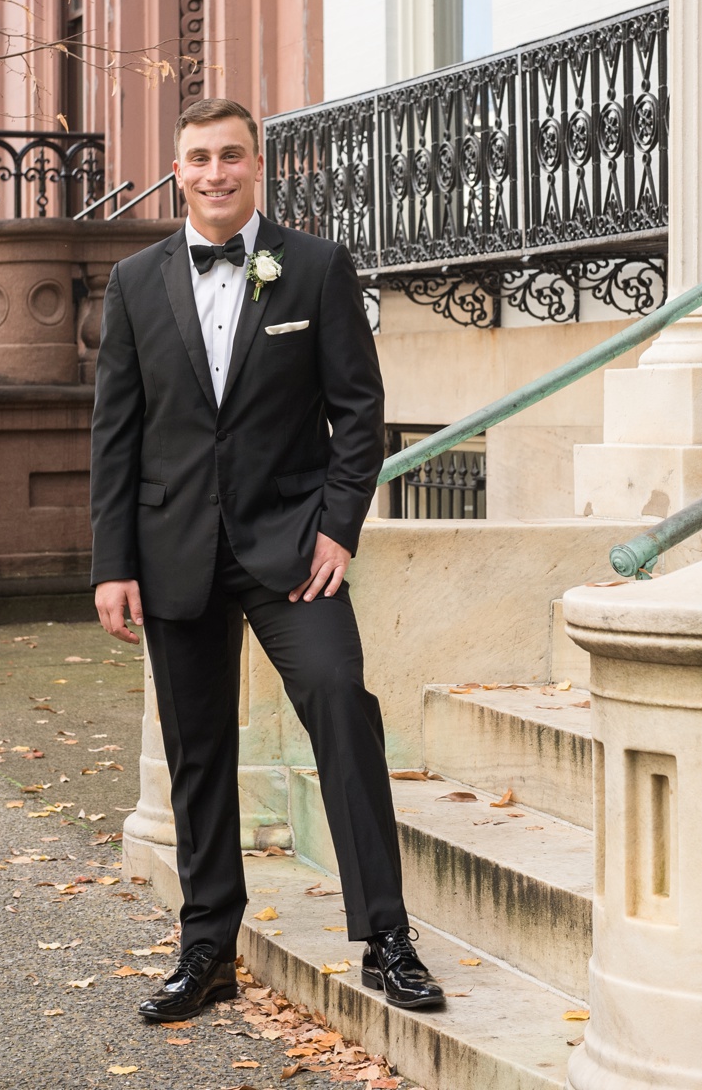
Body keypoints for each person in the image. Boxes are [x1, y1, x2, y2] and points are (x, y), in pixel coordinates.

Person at [89, 98, 444, 1018]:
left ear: (259, 165)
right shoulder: (133, 282)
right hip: (172, 554)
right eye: (199, 158)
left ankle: (386, 937)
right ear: (179, 169)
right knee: (196, 751)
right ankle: (206, 945)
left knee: (339, 701)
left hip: (292, 549)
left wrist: (338, 527)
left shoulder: (317, 267)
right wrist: (110, 563)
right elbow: (115, 436)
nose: (216, 173)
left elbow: (357, 411)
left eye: (231, 156)